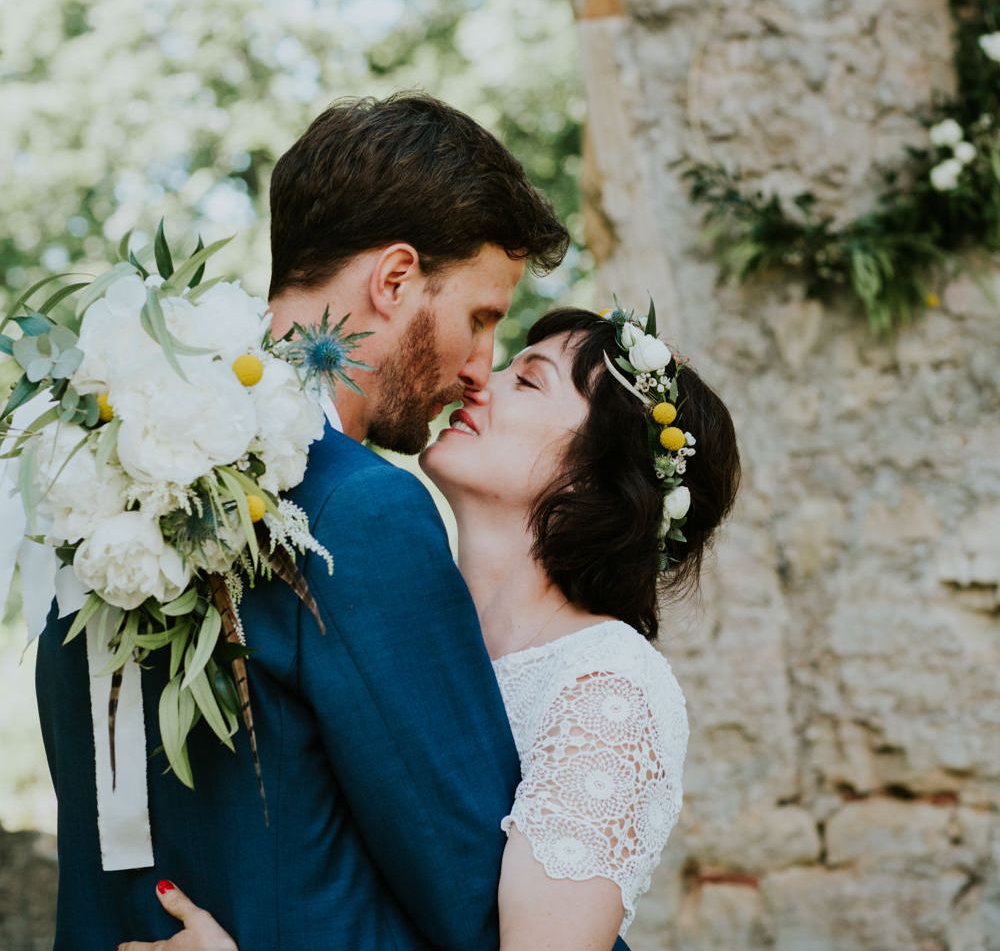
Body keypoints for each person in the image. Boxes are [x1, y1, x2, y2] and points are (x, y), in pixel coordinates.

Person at [36, 92, 592, 950]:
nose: (481, 367)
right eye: (481, 317)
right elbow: (475, 900)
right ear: (396, 279)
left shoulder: (103, 480)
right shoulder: (360, 511)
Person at [118, 306, 741, 950]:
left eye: (527, 381)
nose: (479, 381)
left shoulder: (607, 689)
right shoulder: (396, 619)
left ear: (598, 475)